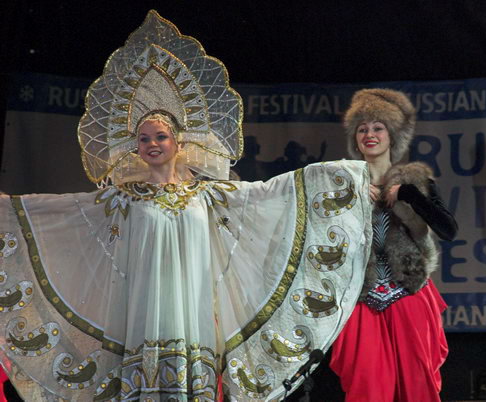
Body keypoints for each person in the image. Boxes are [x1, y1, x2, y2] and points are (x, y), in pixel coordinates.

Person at [0, 11, 373, 401]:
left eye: (160, 136)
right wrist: (9, 208)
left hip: (195, 324)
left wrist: (339, 175)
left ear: (179, 141)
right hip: (142, 320)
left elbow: (267, 194)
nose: (152, 144)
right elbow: (64, 210)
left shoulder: (211, 196)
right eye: (143, 138)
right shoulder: (122, 198)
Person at [329, 89, 457, 402]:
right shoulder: (340, 183)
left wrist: (409, 195)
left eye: (378, 127)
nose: (369, 134)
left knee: (416, 386)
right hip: (361, 298)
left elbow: (448, 229)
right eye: (362, 129)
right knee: (367, 387)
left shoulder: (416, 180)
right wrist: (353, 195)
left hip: (409, 293)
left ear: (392, 135)